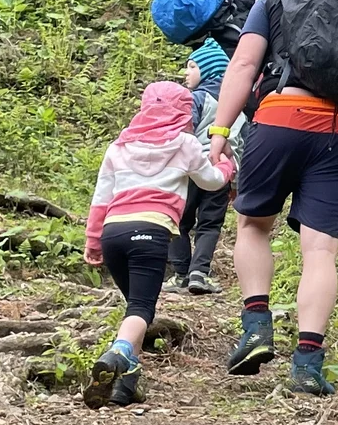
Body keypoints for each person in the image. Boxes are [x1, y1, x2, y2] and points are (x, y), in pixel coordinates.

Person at [204, 0, 338, 396]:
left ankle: (257, 328)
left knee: (254, 225)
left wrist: (220, 131)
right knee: (320, 251)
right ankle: (308, 363)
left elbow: (243, 63)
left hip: (279, 117)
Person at [84, 80, 234, 408]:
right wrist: (228, 164)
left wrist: (93, 240)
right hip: (150, 233)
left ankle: (127, 383)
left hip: (113, 233)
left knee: (135, 308)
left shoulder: (118, 146)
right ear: (185, 113)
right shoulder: (184, 144)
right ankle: (119, 352)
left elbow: (100, 198)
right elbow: (211, 181)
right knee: (141, 309)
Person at [166, 38, 235, 295]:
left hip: (192, 170)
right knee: (210, 224)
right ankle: (199, 273)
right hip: (222, 172)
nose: (186, 72)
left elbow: (184, 130)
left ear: (207, 70)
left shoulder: (196, 98)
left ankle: (181, 274)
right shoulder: (238, 104)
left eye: (192, 66)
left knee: (180, 222)